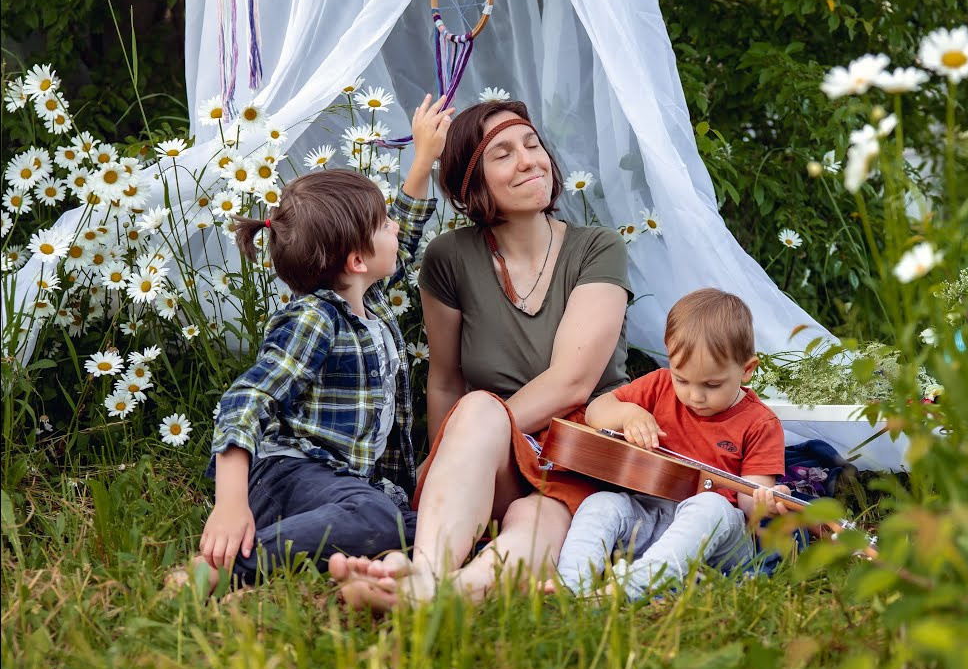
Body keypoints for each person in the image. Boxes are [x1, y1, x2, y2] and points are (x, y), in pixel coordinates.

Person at [330, 99, 632, 609]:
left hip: (581, 447)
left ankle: (444, 594)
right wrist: (445, 454)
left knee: (537, 520)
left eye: (533, 146)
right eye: (504, 154)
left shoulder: (597, 248)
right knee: (474, 407)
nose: (529, 160)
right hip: (493, 458)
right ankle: (426, 568)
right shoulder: (450, 258)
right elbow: (445, 380)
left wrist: (468, 435)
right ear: (473, 184)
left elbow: (573, 382)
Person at [170, 95, 454, 593]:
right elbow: (246, 399)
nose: (395, 227)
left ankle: (349, 566)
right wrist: (230, 501)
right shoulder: (315, 318)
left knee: (424, 525)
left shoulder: (371, 301)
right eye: (383, 222)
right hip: (286, 475)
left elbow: (403, 241)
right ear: (356, 261)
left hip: (340, 486)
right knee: (374, 514)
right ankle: (230, 571)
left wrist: (424, 160)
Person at [551, 288, 789, 600]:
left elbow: (748, 502)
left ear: (746, 369)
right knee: (602, 505)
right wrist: (627, 413)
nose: (695, 396)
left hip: (721, 538)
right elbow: (596, 412)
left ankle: (628, 590)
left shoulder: (760, 423)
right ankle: (571, 588)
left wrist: (765, 504)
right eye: (683, 380)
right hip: (654, 516)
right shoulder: (659, 385)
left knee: (710, 505)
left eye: (712, 385)